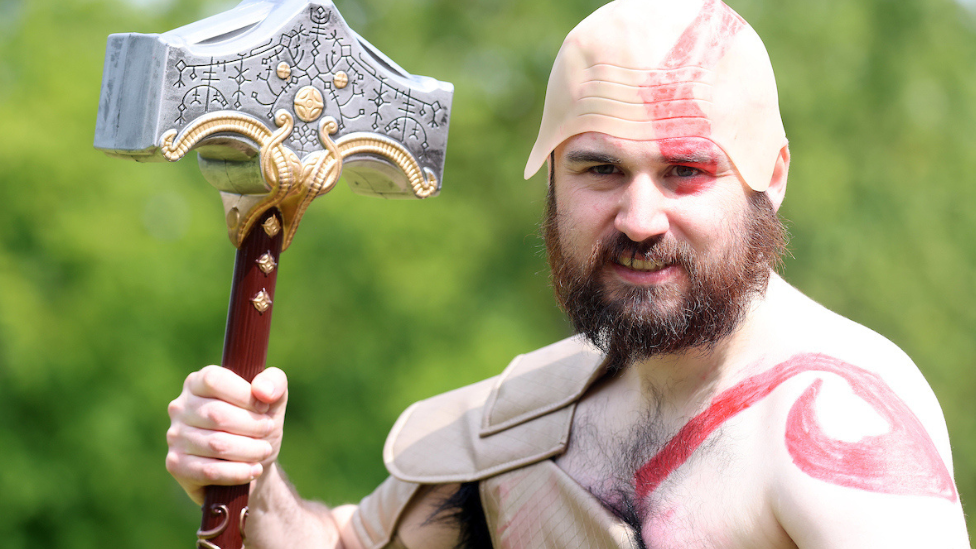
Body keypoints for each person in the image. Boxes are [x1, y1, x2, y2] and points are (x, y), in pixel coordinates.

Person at [164, 0, 971, 547]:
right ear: (550, 177)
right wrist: (253, 478)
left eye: (686, 171)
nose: (640, 217)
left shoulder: (840, 429)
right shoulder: (524, 419)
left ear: (772, 173)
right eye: (599, 169)